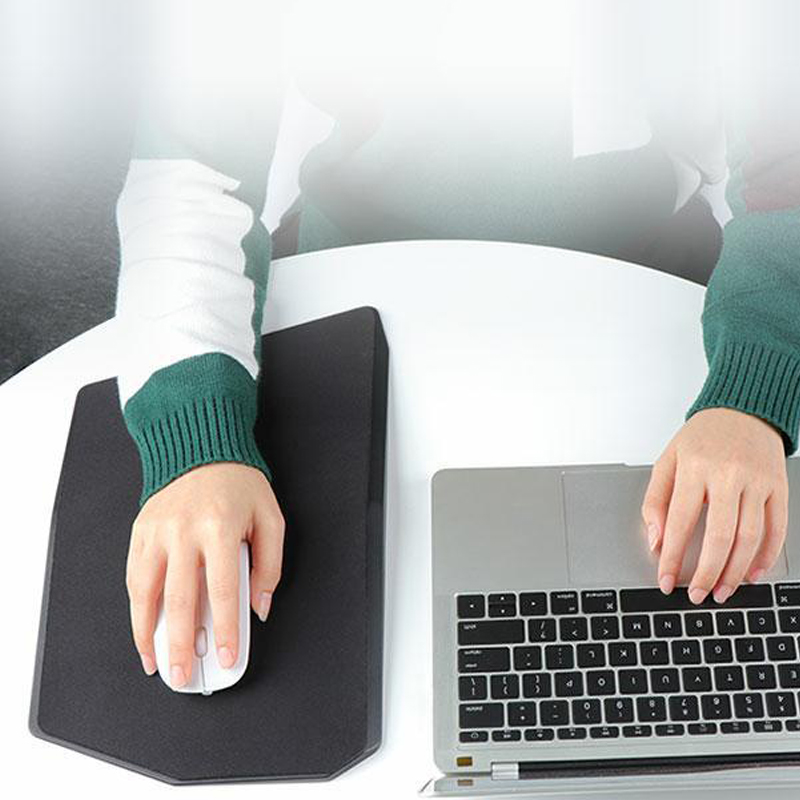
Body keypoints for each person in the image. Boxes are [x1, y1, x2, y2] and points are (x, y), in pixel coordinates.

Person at [117, 0, 800, 687]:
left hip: (647, 288)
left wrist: (753, 391)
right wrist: (195, 438)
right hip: (359, 287)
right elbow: (189, 169)